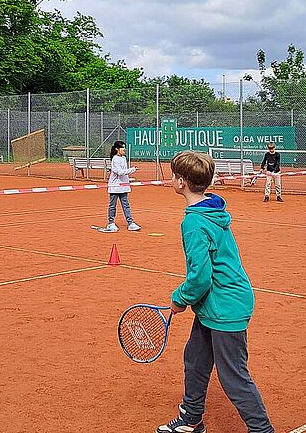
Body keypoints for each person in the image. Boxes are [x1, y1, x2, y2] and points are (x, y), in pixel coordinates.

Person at [157, 151, 274, 433]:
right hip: (215, 306)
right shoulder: (212, 209)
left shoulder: (194, 223)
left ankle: (262, 429)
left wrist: (179, 298)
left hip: (225, 306)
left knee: (233, 376)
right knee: (196, 361)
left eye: (174, 175)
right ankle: (191, 419)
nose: (172, 179)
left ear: (181, 182)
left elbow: (200, 278)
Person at [102, 140, 141, 232]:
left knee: (126, 205)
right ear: (117, 149)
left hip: (124, 186)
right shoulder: (115, 159)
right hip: (115, 186)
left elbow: (124, 172)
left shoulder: (123, 158)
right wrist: (132, 169)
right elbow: (120, 172)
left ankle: (130, 223)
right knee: (112, 206)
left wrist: (130, 172)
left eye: (124, 147)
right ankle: (111, 223)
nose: (124, 149)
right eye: (122, 147)